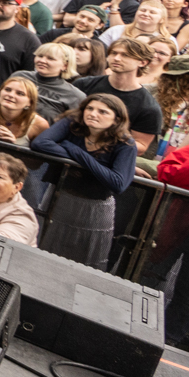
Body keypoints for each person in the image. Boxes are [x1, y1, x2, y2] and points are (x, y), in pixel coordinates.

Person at [31, 95, 139, 269]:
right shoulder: (72, 124)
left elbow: (118, 183)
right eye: (90, 109)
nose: (93, 114)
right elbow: (40, 143)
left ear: (116, 119)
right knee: (44, 248)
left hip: (94, 207)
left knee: (82, 260)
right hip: (60, 197)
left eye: (102, 111)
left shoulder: (125, 144)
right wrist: (94, 166)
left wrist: (75, 151)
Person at [70, 37, 162, 151]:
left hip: (105, 159)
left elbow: (141, 146)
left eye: (125, 55)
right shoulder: (84, 84)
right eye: (113, 53)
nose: (117, 58)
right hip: (69, 145)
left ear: (142, 62)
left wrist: (101, 141)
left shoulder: (148, 106)